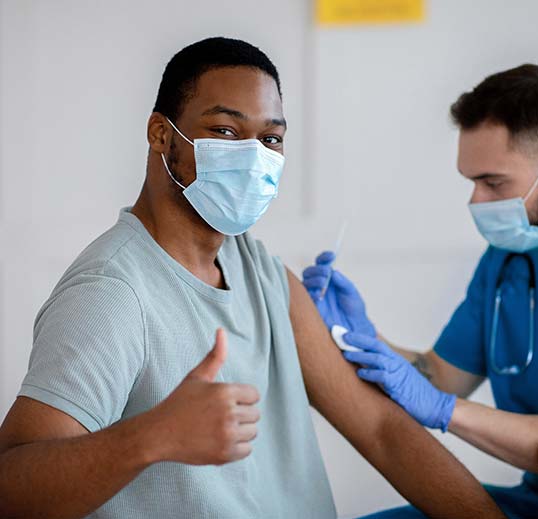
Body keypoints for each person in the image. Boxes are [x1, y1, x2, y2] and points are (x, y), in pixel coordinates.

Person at [0, 37, 503, 519]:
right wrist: (151, 437)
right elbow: (11, 490)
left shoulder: (260, 271)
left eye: (270, 139)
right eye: (224, 131)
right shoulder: (111, 294)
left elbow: (380, 430)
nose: (253, 155)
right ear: (160, 134)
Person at [303, 64, 538, 519]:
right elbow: (438, 376)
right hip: (537, 504)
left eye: (493, 183)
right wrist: (355, 335)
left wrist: (445, 411)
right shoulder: (510, 259)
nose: (476, 202)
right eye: (471, 182)